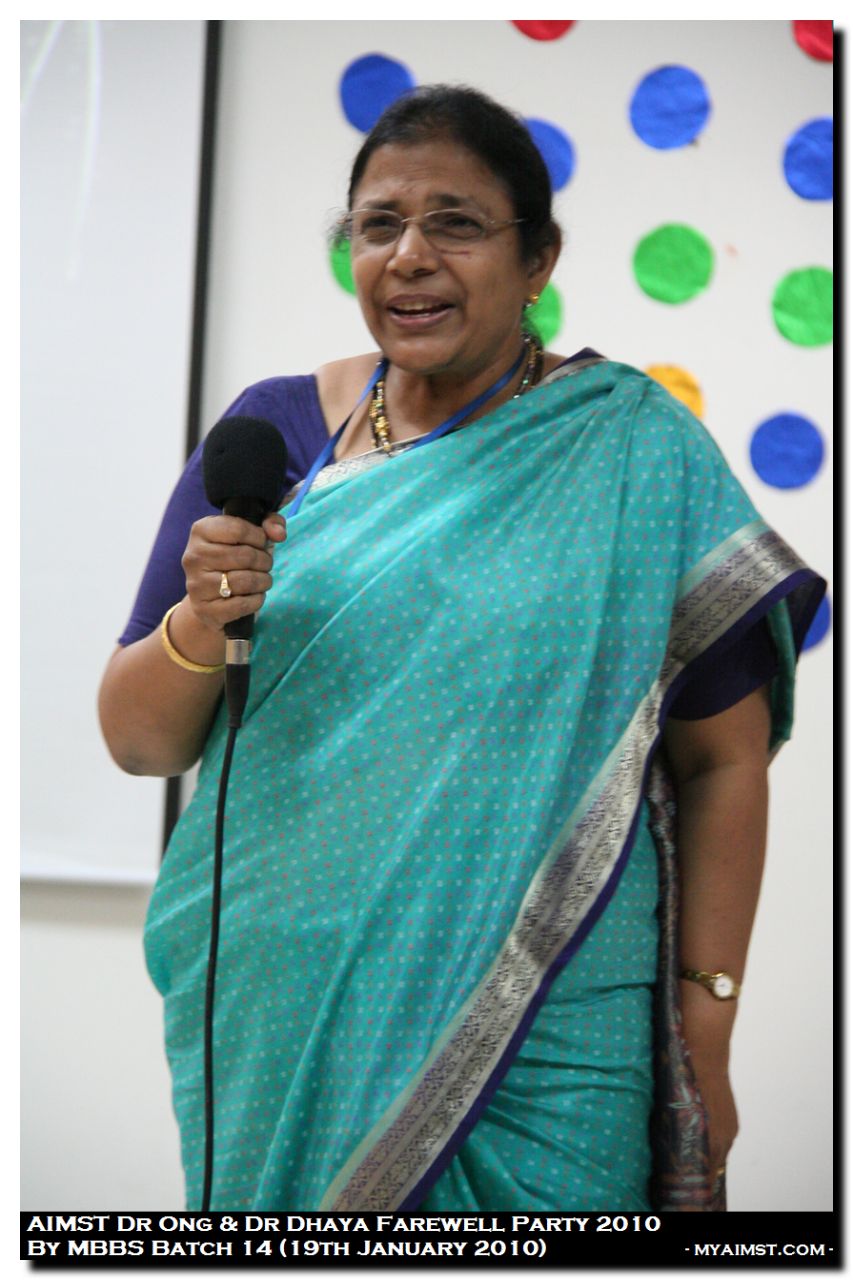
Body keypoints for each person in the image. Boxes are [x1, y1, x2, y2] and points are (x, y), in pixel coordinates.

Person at [98, 85, 824, 1213]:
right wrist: (200, 618)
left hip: (547, 1026)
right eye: (378, 225)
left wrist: (708, 1026)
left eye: (457, 223)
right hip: (285, 1015)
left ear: (538, 259)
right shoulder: (274, 435)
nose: (410, 256)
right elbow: (140, 742)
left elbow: (724, 760)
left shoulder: (631, 448)